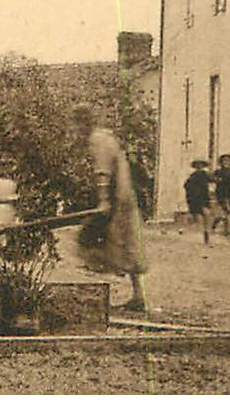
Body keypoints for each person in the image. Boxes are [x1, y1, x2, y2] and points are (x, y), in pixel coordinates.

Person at [72, 104, 147, 312]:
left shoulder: (99, 140)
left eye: (77, 125)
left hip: (117, 199)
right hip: (124, 196)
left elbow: (103, 173)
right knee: (127, 246)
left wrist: (103, 201)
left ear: (83, 123)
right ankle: (138, 296)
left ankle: (92, 296)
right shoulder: (105, 137)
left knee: (89, 244)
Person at [210, 153, 230, 238]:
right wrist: (216, 180)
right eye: (224, 160)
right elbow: (212, 180)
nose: (226, 162)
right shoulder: (218, 172)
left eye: (228, 161)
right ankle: (220, 228)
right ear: (221, 162)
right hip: (221, 193)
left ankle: (228, 230)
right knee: (223, 211)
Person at [183, 158, 214, 245]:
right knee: (201, 215)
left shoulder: (205, 174)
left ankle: (206, 234)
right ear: (195, 167)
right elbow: (186, 185)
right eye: (197, 165)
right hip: (196, 198)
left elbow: (213, 181)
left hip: (203, 197)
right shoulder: (193, 176)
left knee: (206, 215)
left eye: (201, 165)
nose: (199, 167)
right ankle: (203, 235)